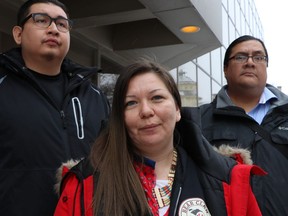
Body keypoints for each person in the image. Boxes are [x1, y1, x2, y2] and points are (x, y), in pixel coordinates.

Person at [54, 59, 265, 216]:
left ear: (178, 109)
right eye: (131, 103)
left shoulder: (228, 177)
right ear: (120, 118)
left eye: (157, 98)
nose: (146, 111)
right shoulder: (82, 184)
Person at [0, 0, 110, 215]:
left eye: (62, 24)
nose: (53, 29)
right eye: (41, 20)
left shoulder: (93, 96)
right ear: (18, 34)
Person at [185, 35, 288, 215]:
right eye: (241, 57)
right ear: (225, 69)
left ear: (266, 66)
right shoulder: (198, 121)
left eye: (258, 57)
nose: (250, 62)